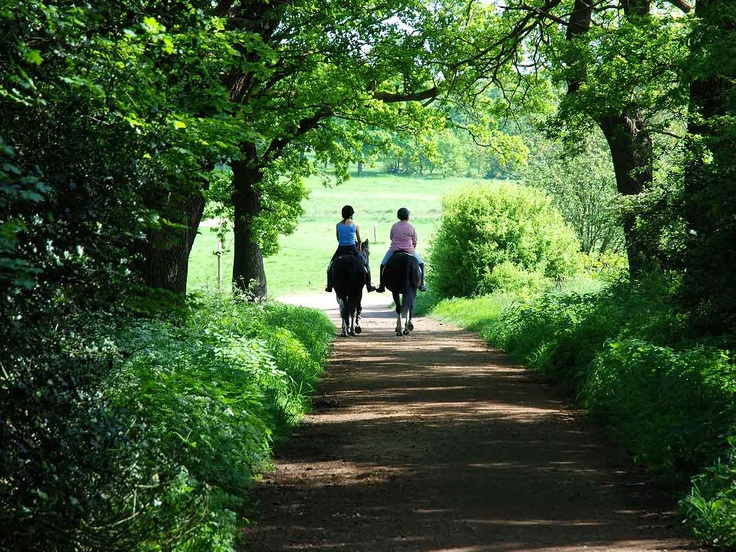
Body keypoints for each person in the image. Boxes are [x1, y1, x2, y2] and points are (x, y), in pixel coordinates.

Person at [325, 205, 376, 292]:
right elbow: (359, 241)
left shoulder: (338, 225)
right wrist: (359, 249)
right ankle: (369, 284)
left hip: (341, 248)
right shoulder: (355, 225)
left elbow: (338, 238)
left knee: (330, 266)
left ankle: (329, 285)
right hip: (352, 248)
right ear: (352, 214)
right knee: (366, 264)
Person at [375, 207, 426, 293]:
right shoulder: (411, 227)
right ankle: (421, 284)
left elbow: (391, 238)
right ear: (407, 216)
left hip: (394, 250)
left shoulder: (394, 226)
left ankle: (382, 285)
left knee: (383, 264)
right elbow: (415, 241)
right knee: (421, 263)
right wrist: (412, 250)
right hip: (409, 250)